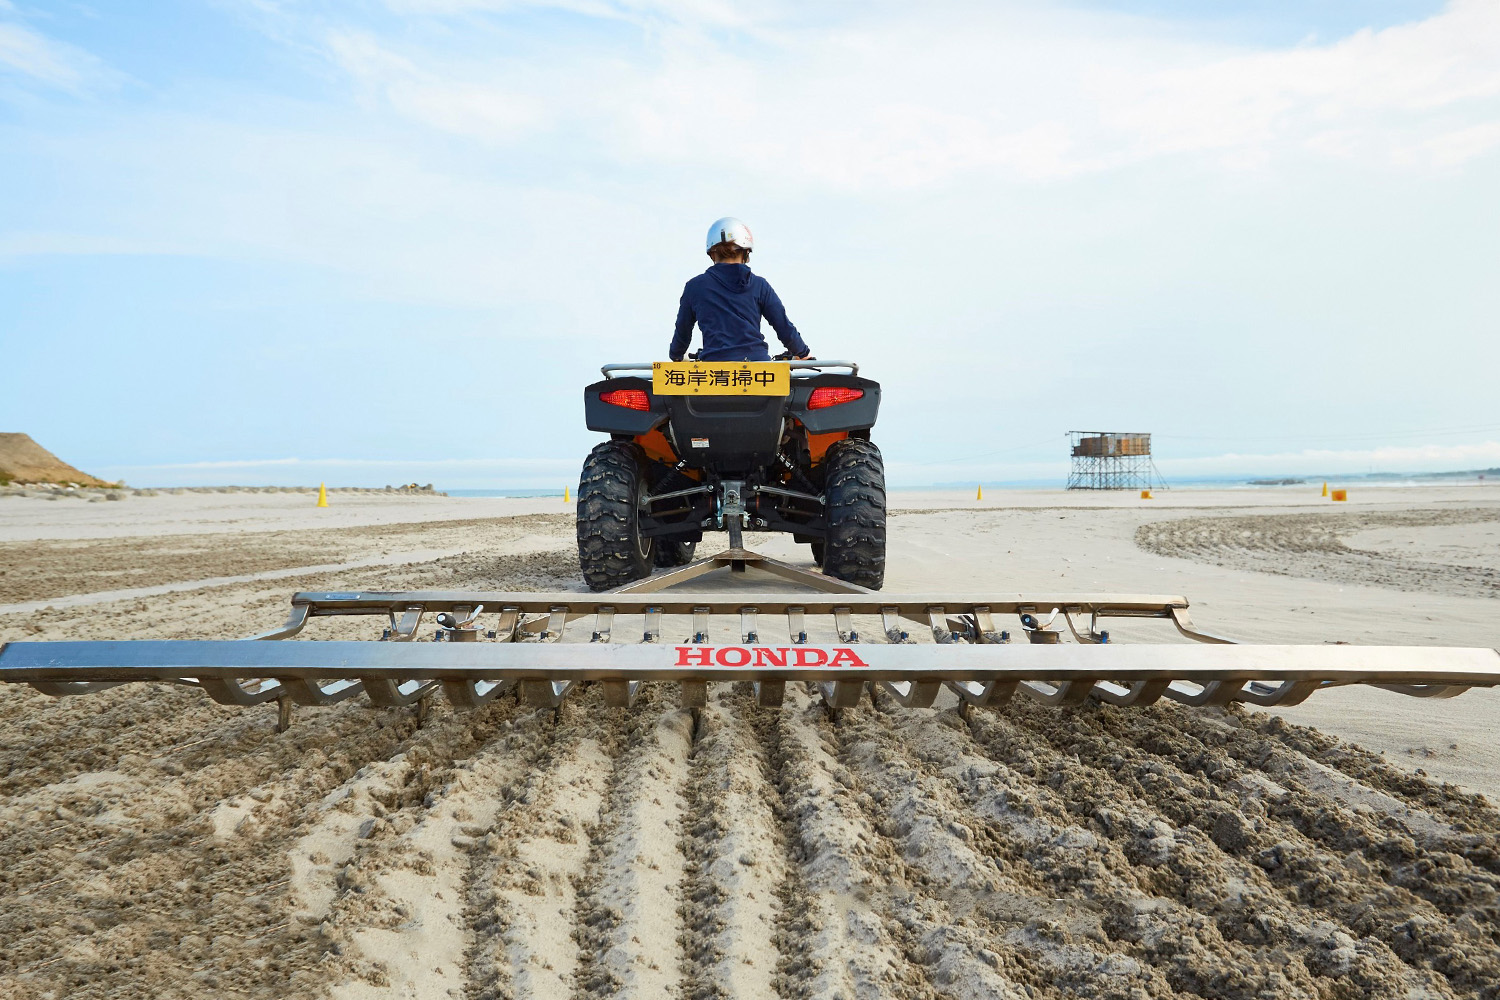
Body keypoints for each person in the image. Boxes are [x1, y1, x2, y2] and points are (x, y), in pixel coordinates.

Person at [669, 217, 812, 363]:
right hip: (758, 368)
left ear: (712, 254)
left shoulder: (695, 287)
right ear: (746, 254)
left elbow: (683, 331)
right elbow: (783, 326)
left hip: (715, 371)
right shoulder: (760, 285)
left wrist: (676, 354)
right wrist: (801, 351)